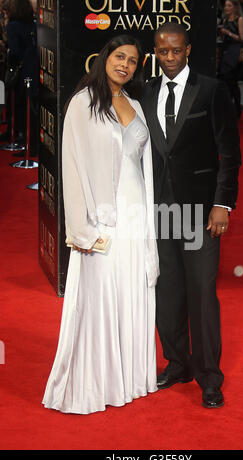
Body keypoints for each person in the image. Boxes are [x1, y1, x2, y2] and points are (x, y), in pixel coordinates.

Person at [42, 35, 159, 414]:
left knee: (131, 292)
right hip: (101, 220)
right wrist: (81, 229)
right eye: (119, 56)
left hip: (135, 214)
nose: (125, 64)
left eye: (133, 60)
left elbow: (145, 168)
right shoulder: (82, 103)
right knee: (101, 298)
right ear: (105, 57)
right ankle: (96, 383)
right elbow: (71, 168)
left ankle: (129, 378)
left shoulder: (137, 106)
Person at [141, 23, 241, 409]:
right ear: (155, 51)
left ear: (188, 50)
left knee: (202, 296)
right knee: (167, 294)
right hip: (161, 211)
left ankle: (209, 377)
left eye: (176, 51)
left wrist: (223, 204)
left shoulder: (211, 90)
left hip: (200, 213)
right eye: (162, 52)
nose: (169, 58)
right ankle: (177, 363)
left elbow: (229, 154)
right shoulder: (146, 91)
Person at [5, 0, 38, 146]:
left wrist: (8, 54)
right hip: (33, 69)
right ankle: (25, 138)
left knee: (17, 105)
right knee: (29, 107)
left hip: (20, 71)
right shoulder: (33, 24)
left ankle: (18, 136)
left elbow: (15, 51)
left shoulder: (12, 26)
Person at [218, 0, 243, 118]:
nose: (226, 8)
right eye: (225, 5)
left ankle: (237, 108)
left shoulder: (239, 19)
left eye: (229, 6)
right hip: (225, 51)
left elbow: (241, 38)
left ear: (235, 7)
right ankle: (228, 107)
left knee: (232, 80)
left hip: (234, 53)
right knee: (224, 80)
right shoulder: (225, 20)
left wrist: (228, 33)